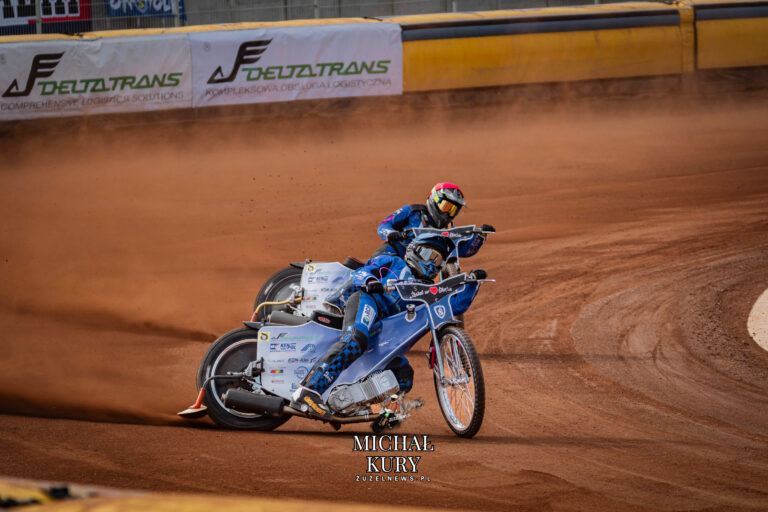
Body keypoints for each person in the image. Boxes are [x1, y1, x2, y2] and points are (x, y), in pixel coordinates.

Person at [291, 234, 487, 419]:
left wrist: (472, 284)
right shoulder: (393, 261)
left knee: (404, 376)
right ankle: (307, 392)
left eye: (438, 261)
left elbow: (455, 305)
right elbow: (362, 272)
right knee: (355, 341)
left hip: (382, 332)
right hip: (367, 301)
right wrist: (370, 281)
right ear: (415, 251)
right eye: (430, 255)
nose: (433, 264)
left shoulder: (427, 291)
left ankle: (346, 403)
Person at [374, 182, 494, 258]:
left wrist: (480, 236)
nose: (447, 213)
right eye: (445, 206)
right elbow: (384, 225)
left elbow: (463, 251)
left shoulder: (447, 230)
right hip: (392, 254)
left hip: (418, 268)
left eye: (453, 210)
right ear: (434, 199)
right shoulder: (412, 211)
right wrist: (391, 234)